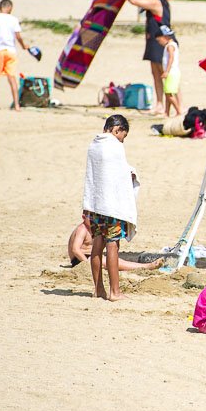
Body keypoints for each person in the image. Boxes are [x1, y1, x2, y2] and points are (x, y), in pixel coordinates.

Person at [82, 115, 138, 301]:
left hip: (95, 204)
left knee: (97, 244)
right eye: (123, 135)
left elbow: (93, 176)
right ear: (116, 130)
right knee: (113, 245)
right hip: (111, 206)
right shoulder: (114, 146)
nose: (122, 140)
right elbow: (120, 175)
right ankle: (115, 292)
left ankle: (98, 289)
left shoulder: (93, 145)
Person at [108, 0, 174, 116]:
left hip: (160, 41)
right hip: (154, 41)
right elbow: (141, 0)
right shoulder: (157, 0)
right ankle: (160, 105)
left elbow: (135, 2)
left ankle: (176, 106)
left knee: (166, 75)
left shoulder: (156, 2)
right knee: (156, 74)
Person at [0, 0, 33, 110]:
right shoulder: (14, 20)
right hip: (11, 51)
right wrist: (23, 46)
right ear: (10, 8)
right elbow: (18, 36)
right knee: (12, 78)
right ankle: (16, 105)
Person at [66, 220, 160, 271]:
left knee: (115, 260)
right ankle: (147, 266)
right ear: (83, 217)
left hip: (90, 256)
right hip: (80, 259)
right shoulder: (82, 229)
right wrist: (86, 264)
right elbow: (75, 249)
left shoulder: (93, 227)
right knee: (112, 261)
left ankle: (143, 265)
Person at [155, 25, 181, 118]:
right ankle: (167, 112)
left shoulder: (170, 46)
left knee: (169, 94)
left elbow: (171, 58)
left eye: (159, 40)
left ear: (164, 37)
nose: (159, 43)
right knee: (168, 93)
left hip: (172, 72)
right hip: (172, 72)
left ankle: (178, 111)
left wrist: (166, 71)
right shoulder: (172, 45)